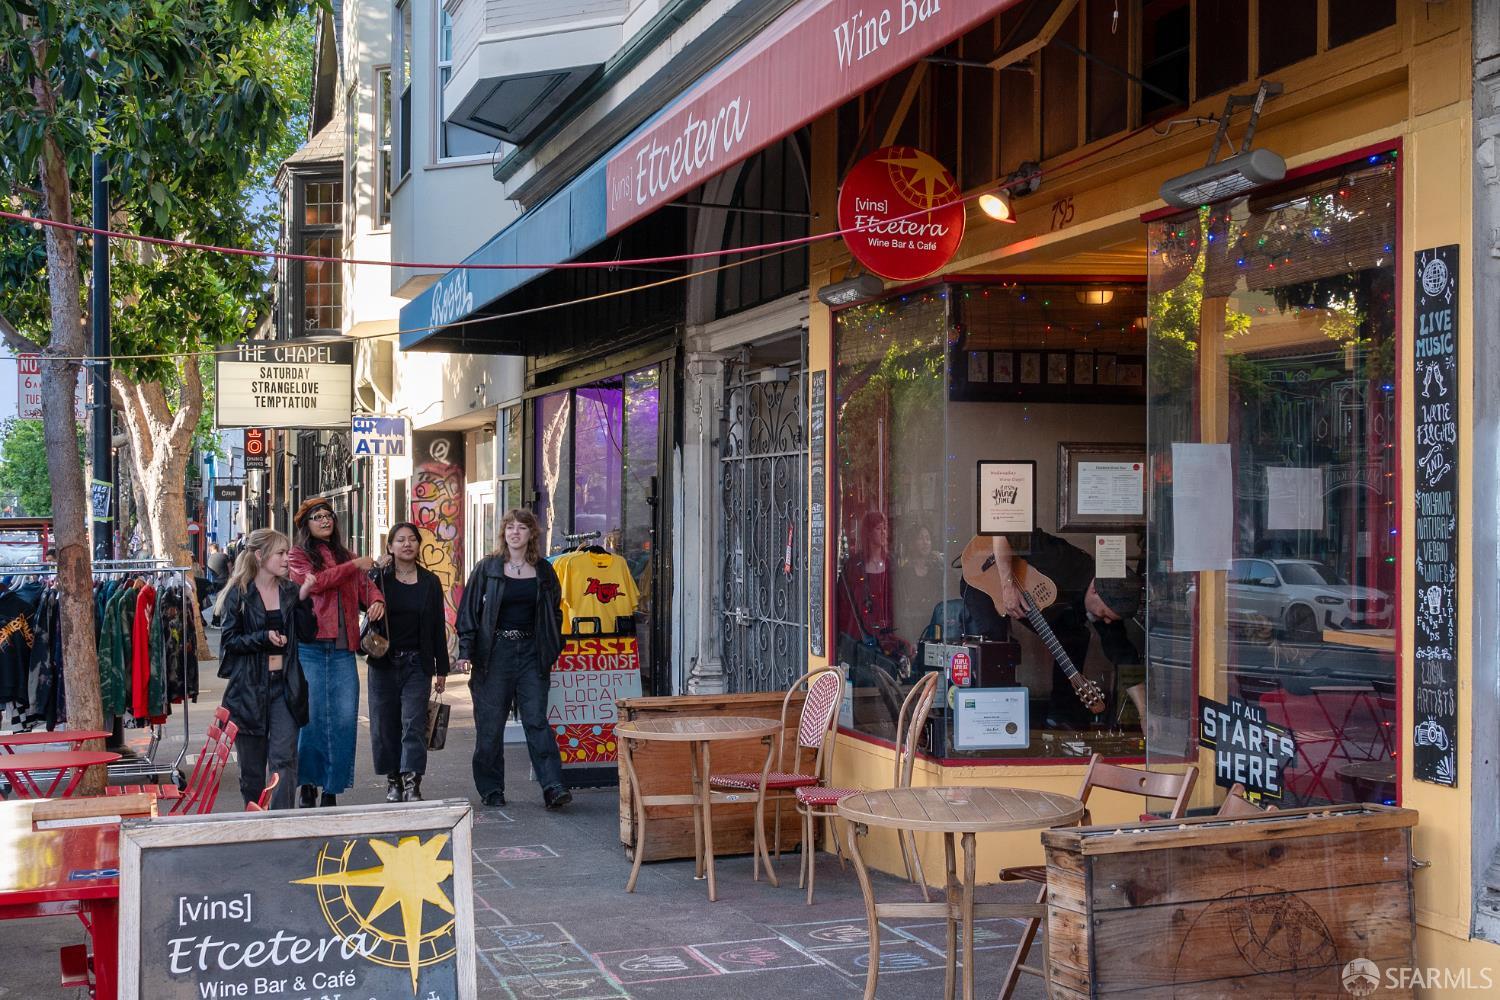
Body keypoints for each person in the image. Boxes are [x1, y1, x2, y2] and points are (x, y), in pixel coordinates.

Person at [455, 508, 571, 810]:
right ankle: (491, 788)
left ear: (531, 533)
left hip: (532, 653)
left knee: (536, 721)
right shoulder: (488, 568)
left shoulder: (544, 571)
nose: (515, 533)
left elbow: (555, 613)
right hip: (494, 654)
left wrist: (551, 647)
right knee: (490, 725)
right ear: (503, 533)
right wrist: (466, 651)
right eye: (510, 528)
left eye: (522, 528)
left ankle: (553, 787)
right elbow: (468, 611)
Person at [976, 530, 1142, 728]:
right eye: (1105, 613)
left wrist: (1144, 712)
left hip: (1035, 607)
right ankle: (987, 722)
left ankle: (1063, 720)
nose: (1107, 621)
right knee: (993, 647)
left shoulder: (1106, 605)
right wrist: (1007, 584)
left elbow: (1124, 655)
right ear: (1095, 590)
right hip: (983, 580)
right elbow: (1002, 531)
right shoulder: (1060, 558)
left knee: (1076, 636)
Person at [287, 498, 384, 808]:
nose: (325, 520)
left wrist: (377, 600)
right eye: (317, 517)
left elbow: (366, 587)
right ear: (306, 524)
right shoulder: (297, 555)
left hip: (344, 650)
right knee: (311, 720)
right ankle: (307, 784)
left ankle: (332, 787)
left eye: (328, 515)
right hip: (311, 647)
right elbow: (314, 585)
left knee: (344, 721)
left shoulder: (347, 557)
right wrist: (353, 566)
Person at [215, 528, 317, 809]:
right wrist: (263, 638)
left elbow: (309, 634)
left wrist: (304, 600)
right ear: (260, 556)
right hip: (248, 688)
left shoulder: (290, 591)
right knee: (252, 770)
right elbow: (229, 641)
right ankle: (255, 821)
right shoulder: (239, 593)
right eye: (280, 553)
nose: (287, 558)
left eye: (287, 552)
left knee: (284, 761)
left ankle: (281, 823)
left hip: (285, 685)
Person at [368, 522, 449, 802]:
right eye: (400, 540)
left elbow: (438, 626)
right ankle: (393, 781)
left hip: (418, 663)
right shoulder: (380, 578)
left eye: (412, 539)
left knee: (413, 723)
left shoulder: (430, 581)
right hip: (383, 662)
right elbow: (358, 602)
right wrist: (375, 570)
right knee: (385, 725)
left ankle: (412, 782)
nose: (406, 544)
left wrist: (442, 668)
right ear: (389, 546)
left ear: (418, 545)